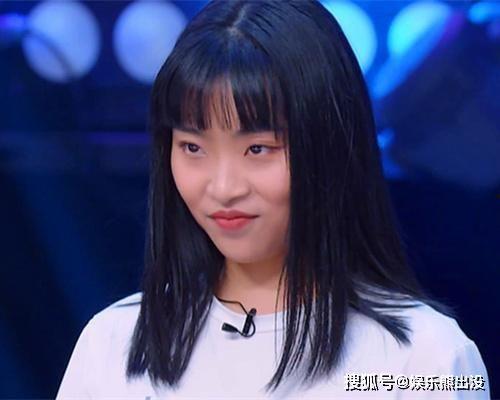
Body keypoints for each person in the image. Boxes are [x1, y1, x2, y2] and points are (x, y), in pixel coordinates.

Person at [56, 0, 491, 398]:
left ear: (329, 145)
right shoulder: (113, 344)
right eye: (192, 147)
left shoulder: (425, 359)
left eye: (257, 148)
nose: (223, 187)